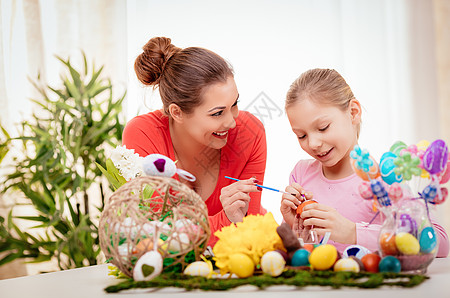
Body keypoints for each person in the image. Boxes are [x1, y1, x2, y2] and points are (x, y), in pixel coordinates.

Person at [280, 68, 449, 257]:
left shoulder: (383, 178)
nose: (312, 143)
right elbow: (300, 254)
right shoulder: (302, 174)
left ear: (353, 112)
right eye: (301, 135)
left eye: (323, 128)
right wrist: (290, 224)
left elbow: (440, 244)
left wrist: (353, 233)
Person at [122, 37, 267, 246]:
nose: (232, 122)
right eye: (217, 113)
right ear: (177, 112)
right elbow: (159, 235)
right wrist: (226, 220)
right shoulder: (143, 134)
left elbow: (251, 231)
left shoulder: (249, 132)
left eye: (234, 104)